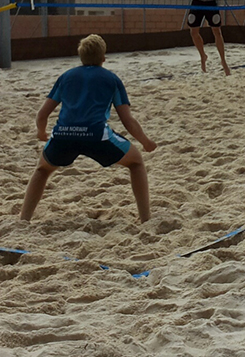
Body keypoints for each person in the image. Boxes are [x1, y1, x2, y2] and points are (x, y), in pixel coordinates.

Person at [20, 34, 157, 223]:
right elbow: (128, 121)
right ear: (103, 58)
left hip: (63, 134)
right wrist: (146, 142)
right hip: (96, 135)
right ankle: (146, 219)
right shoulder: (111, 79)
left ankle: (24, 219)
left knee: (42, 170)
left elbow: (42, 114)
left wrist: (41, 132)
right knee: (136, 162)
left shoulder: (66, 77)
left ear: (81, 56)